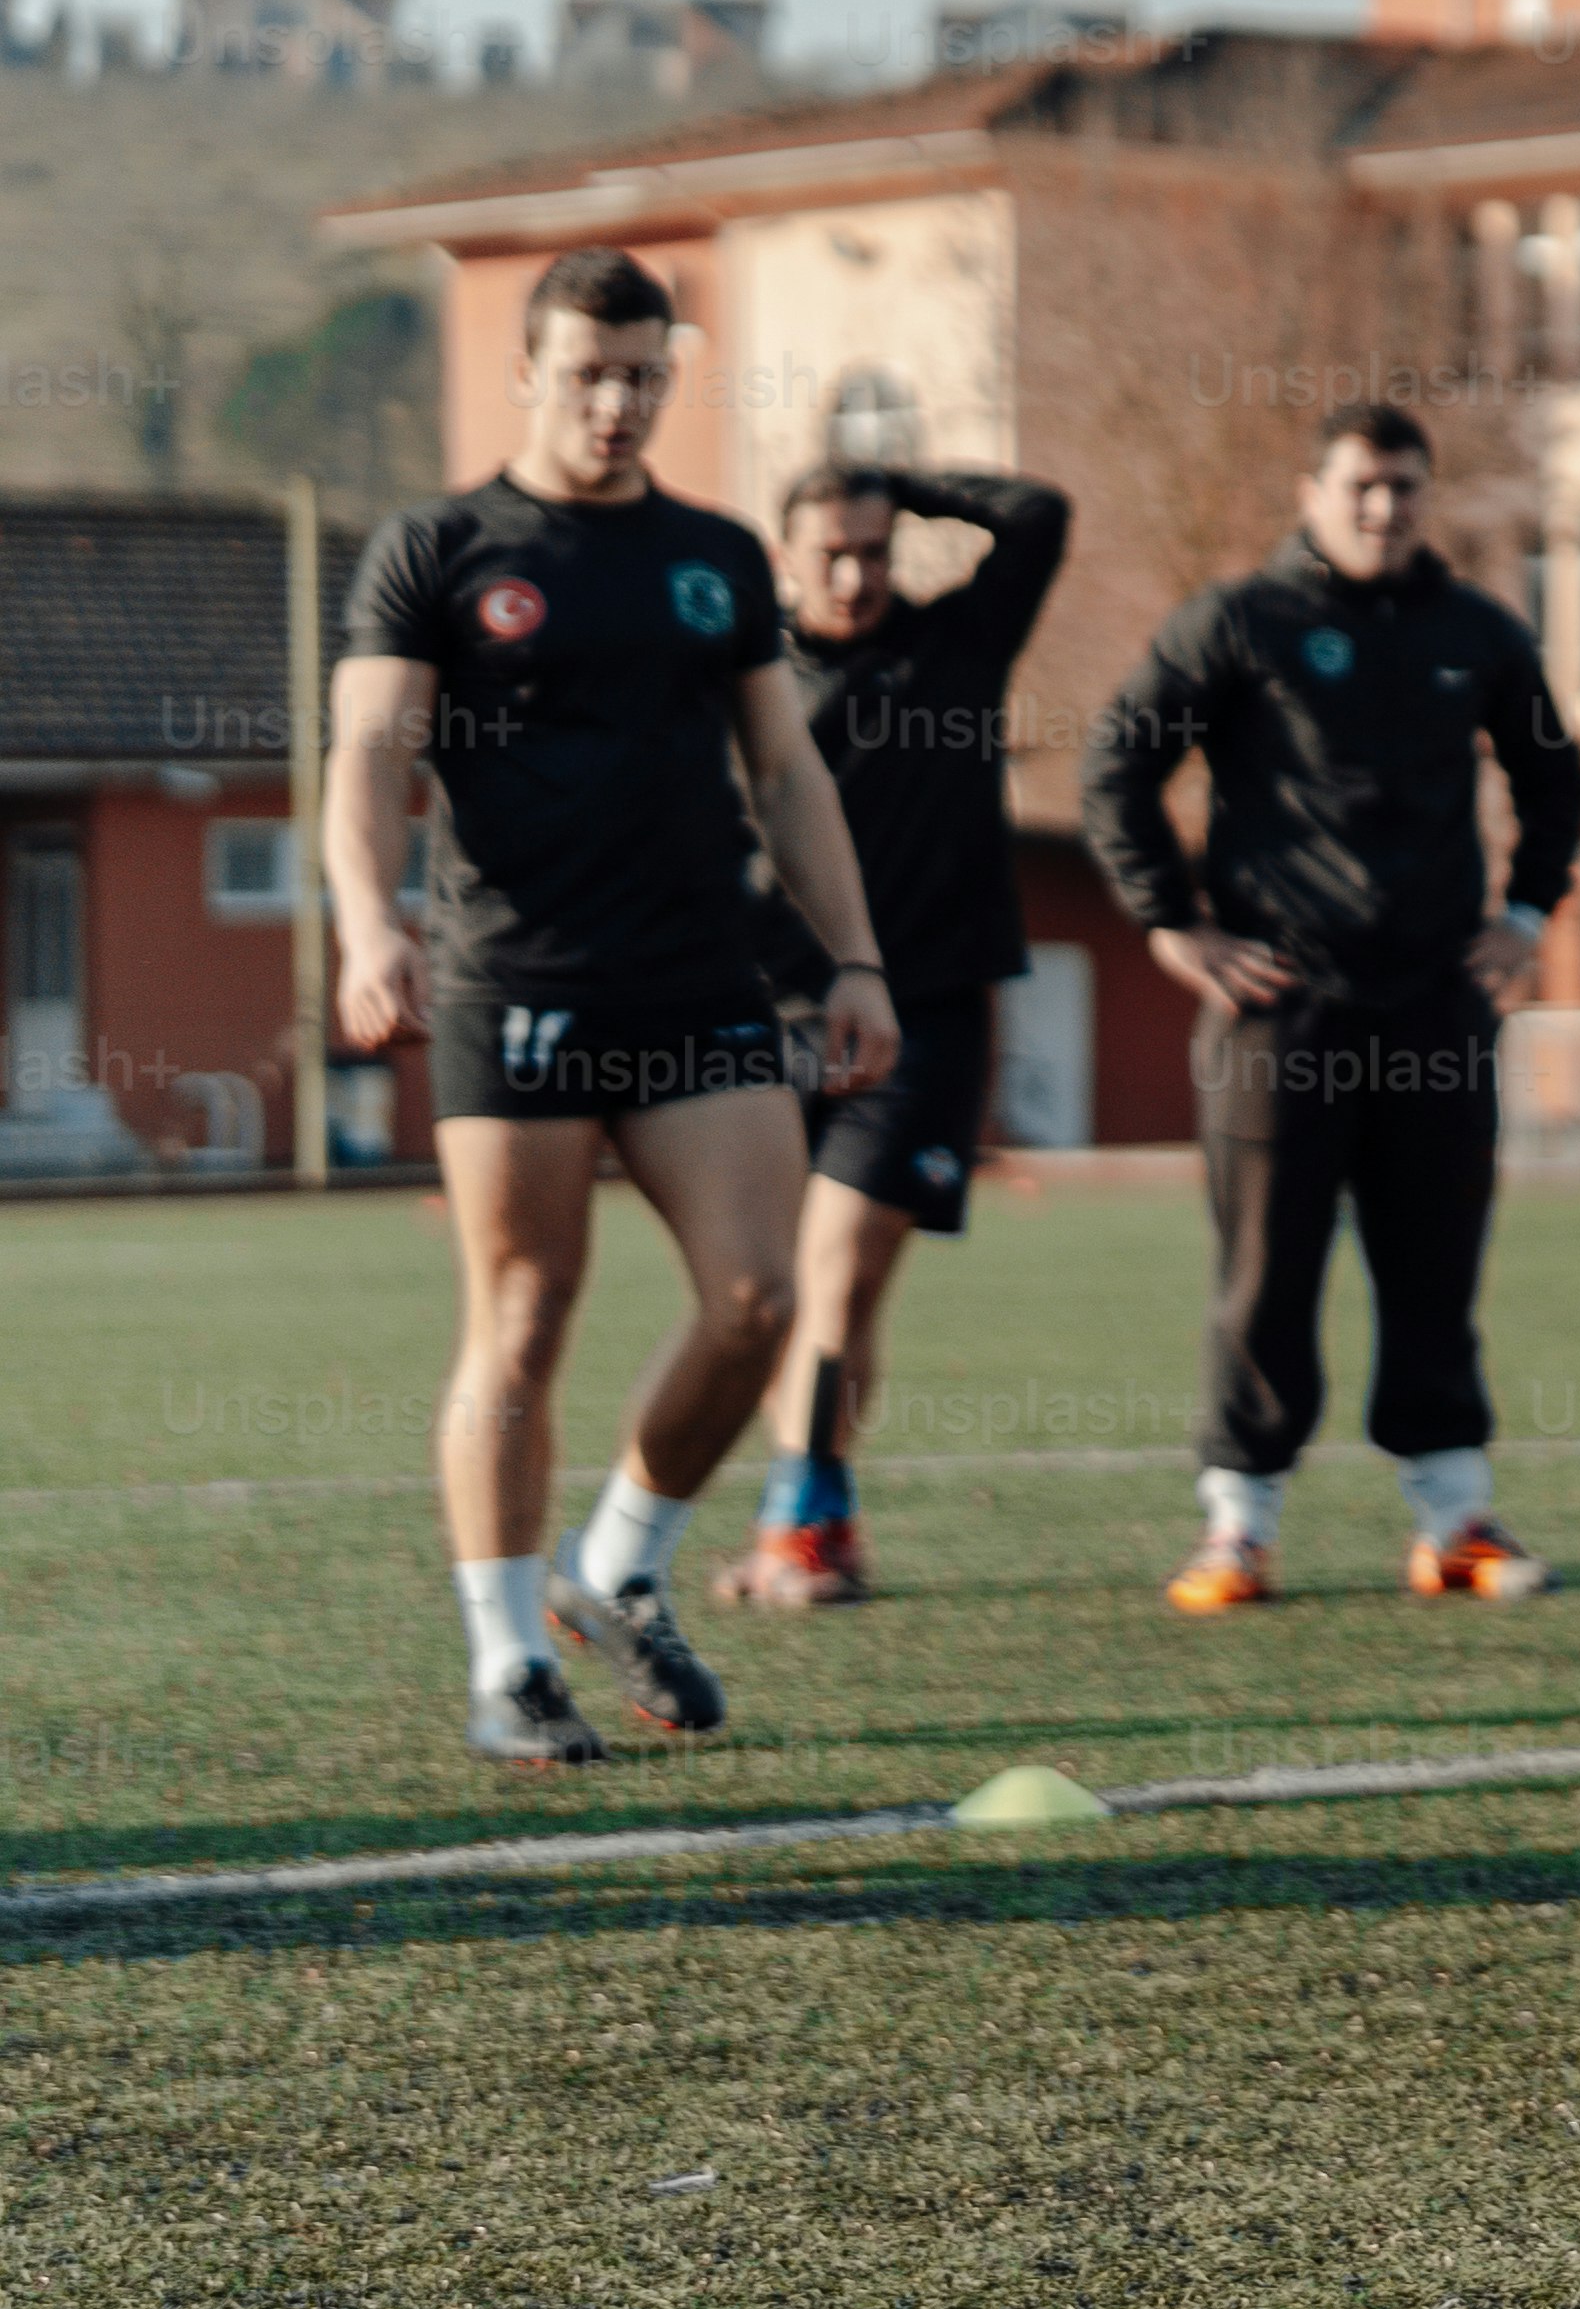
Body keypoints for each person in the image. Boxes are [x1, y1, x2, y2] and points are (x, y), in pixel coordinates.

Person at [324, 247, 904, 1767]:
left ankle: (621, 1562)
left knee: (762, 1301)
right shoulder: (435, 547)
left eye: (644, 374)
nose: (616, 401)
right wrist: (361, 923)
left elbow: (784, 772)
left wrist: (855, 960)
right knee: (522, 1317)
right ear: (530, 371)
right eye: (588, 371)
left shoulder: (713, 554)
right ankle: (511, 1655)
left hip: (698, 981)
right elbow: (370, 757)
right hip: (510, 980)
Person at [1080, 399, 1580, 1616]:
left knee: (1436, 1270)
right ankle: (1237, 1531)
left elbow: (1553, 772)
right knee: (1266, 1273)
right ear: (1310, 493)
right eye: (1360, 485)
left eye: (1405, 486)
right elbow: (1118, 759)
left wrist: (1525, 916)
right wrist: (1168, 919)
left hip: (1436, 1006)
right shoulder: (1241, 619)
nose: (1384, 506)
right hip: (1280, 1008)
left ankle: (1454, 1523)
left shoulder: (1477, 630)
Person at [722, 454, 1072, 1609]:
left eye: (874, 550)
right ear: (783, 557)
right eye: (828, 550)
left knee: (833, 1271)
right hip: (770, 1020)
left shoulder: (954, 651)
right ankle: (827, 1517)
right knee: (797, 1294)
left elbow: (1038, 513)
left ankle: (796, 1528)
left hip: (923, 1020)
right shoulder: (744, 676)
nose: (854, 573)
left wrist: (905, 487)